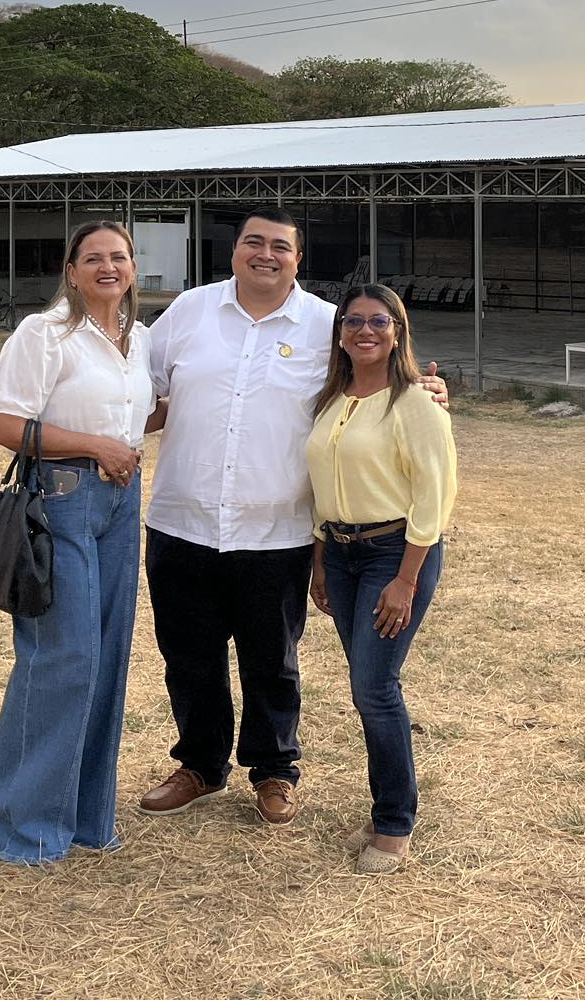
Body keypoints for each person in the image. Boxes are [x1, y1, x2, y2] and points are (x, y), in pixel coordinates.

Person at [139, 209, 445, 829]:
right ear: (234, 251)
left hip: (276, 530)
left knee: (272, 659)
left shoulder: (324, 326)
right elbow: (138, 392)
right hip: (181, 519)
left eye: (281, 246)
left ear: (298, 259)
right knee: (188, 656)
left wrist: (427, 393)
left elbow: (376, 374)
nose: (266, 254)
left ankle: (274, 770)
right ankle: (199, 765)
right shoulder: (188, 312)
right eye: (254, 241)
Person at [0, 220, 162, 864]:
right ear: (72, 268)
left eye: (119, 257)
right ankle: (24, 826)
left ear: (134, 267)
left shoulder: (139, 340)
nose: (107, 267)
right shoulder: (45, 334)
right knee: (64, 657)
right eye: (94, 258)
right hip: (61, 498)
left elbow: (145, 413)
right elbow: (5, 424)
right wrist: (94, 445)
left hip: (120, 500)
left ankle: (88, 818)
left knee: (109, 656)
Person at [307, 285, 458, 875]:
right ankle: (384, 809)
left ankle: (394, 820)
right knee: (366, 683)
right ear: (340, 332)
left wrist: (406, 580)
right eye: (353, 321)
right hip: (340, 555)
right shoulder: (330, 399)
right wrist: (319, 563)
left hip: (395, 554)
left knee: (374, 685)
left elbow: (435, 495)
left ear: (397, 331)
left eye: (379, 321)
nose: (364, 331)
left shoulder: (415, 402)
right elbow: (322, 487)